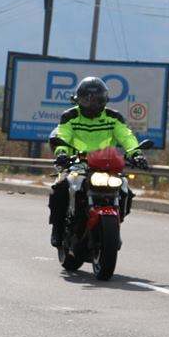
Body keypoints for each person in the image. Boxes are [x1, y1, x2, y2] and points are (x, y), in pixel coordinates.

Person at [47, 76, 148, 247]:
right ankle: (57, 228)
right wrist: (62, 152)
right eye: (87, 100)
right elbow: (62, 135)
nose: (92, 104)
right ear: (78, 99)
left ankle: (115, 224)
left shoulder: (114, 117)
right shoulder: (70, 116)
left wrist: (136, 154)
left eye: (97, 100)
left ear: (105, 100)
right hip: (76, 164)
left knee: (125, 189)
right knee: (60, 187)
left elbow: (127, 137)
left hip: (106, 165)